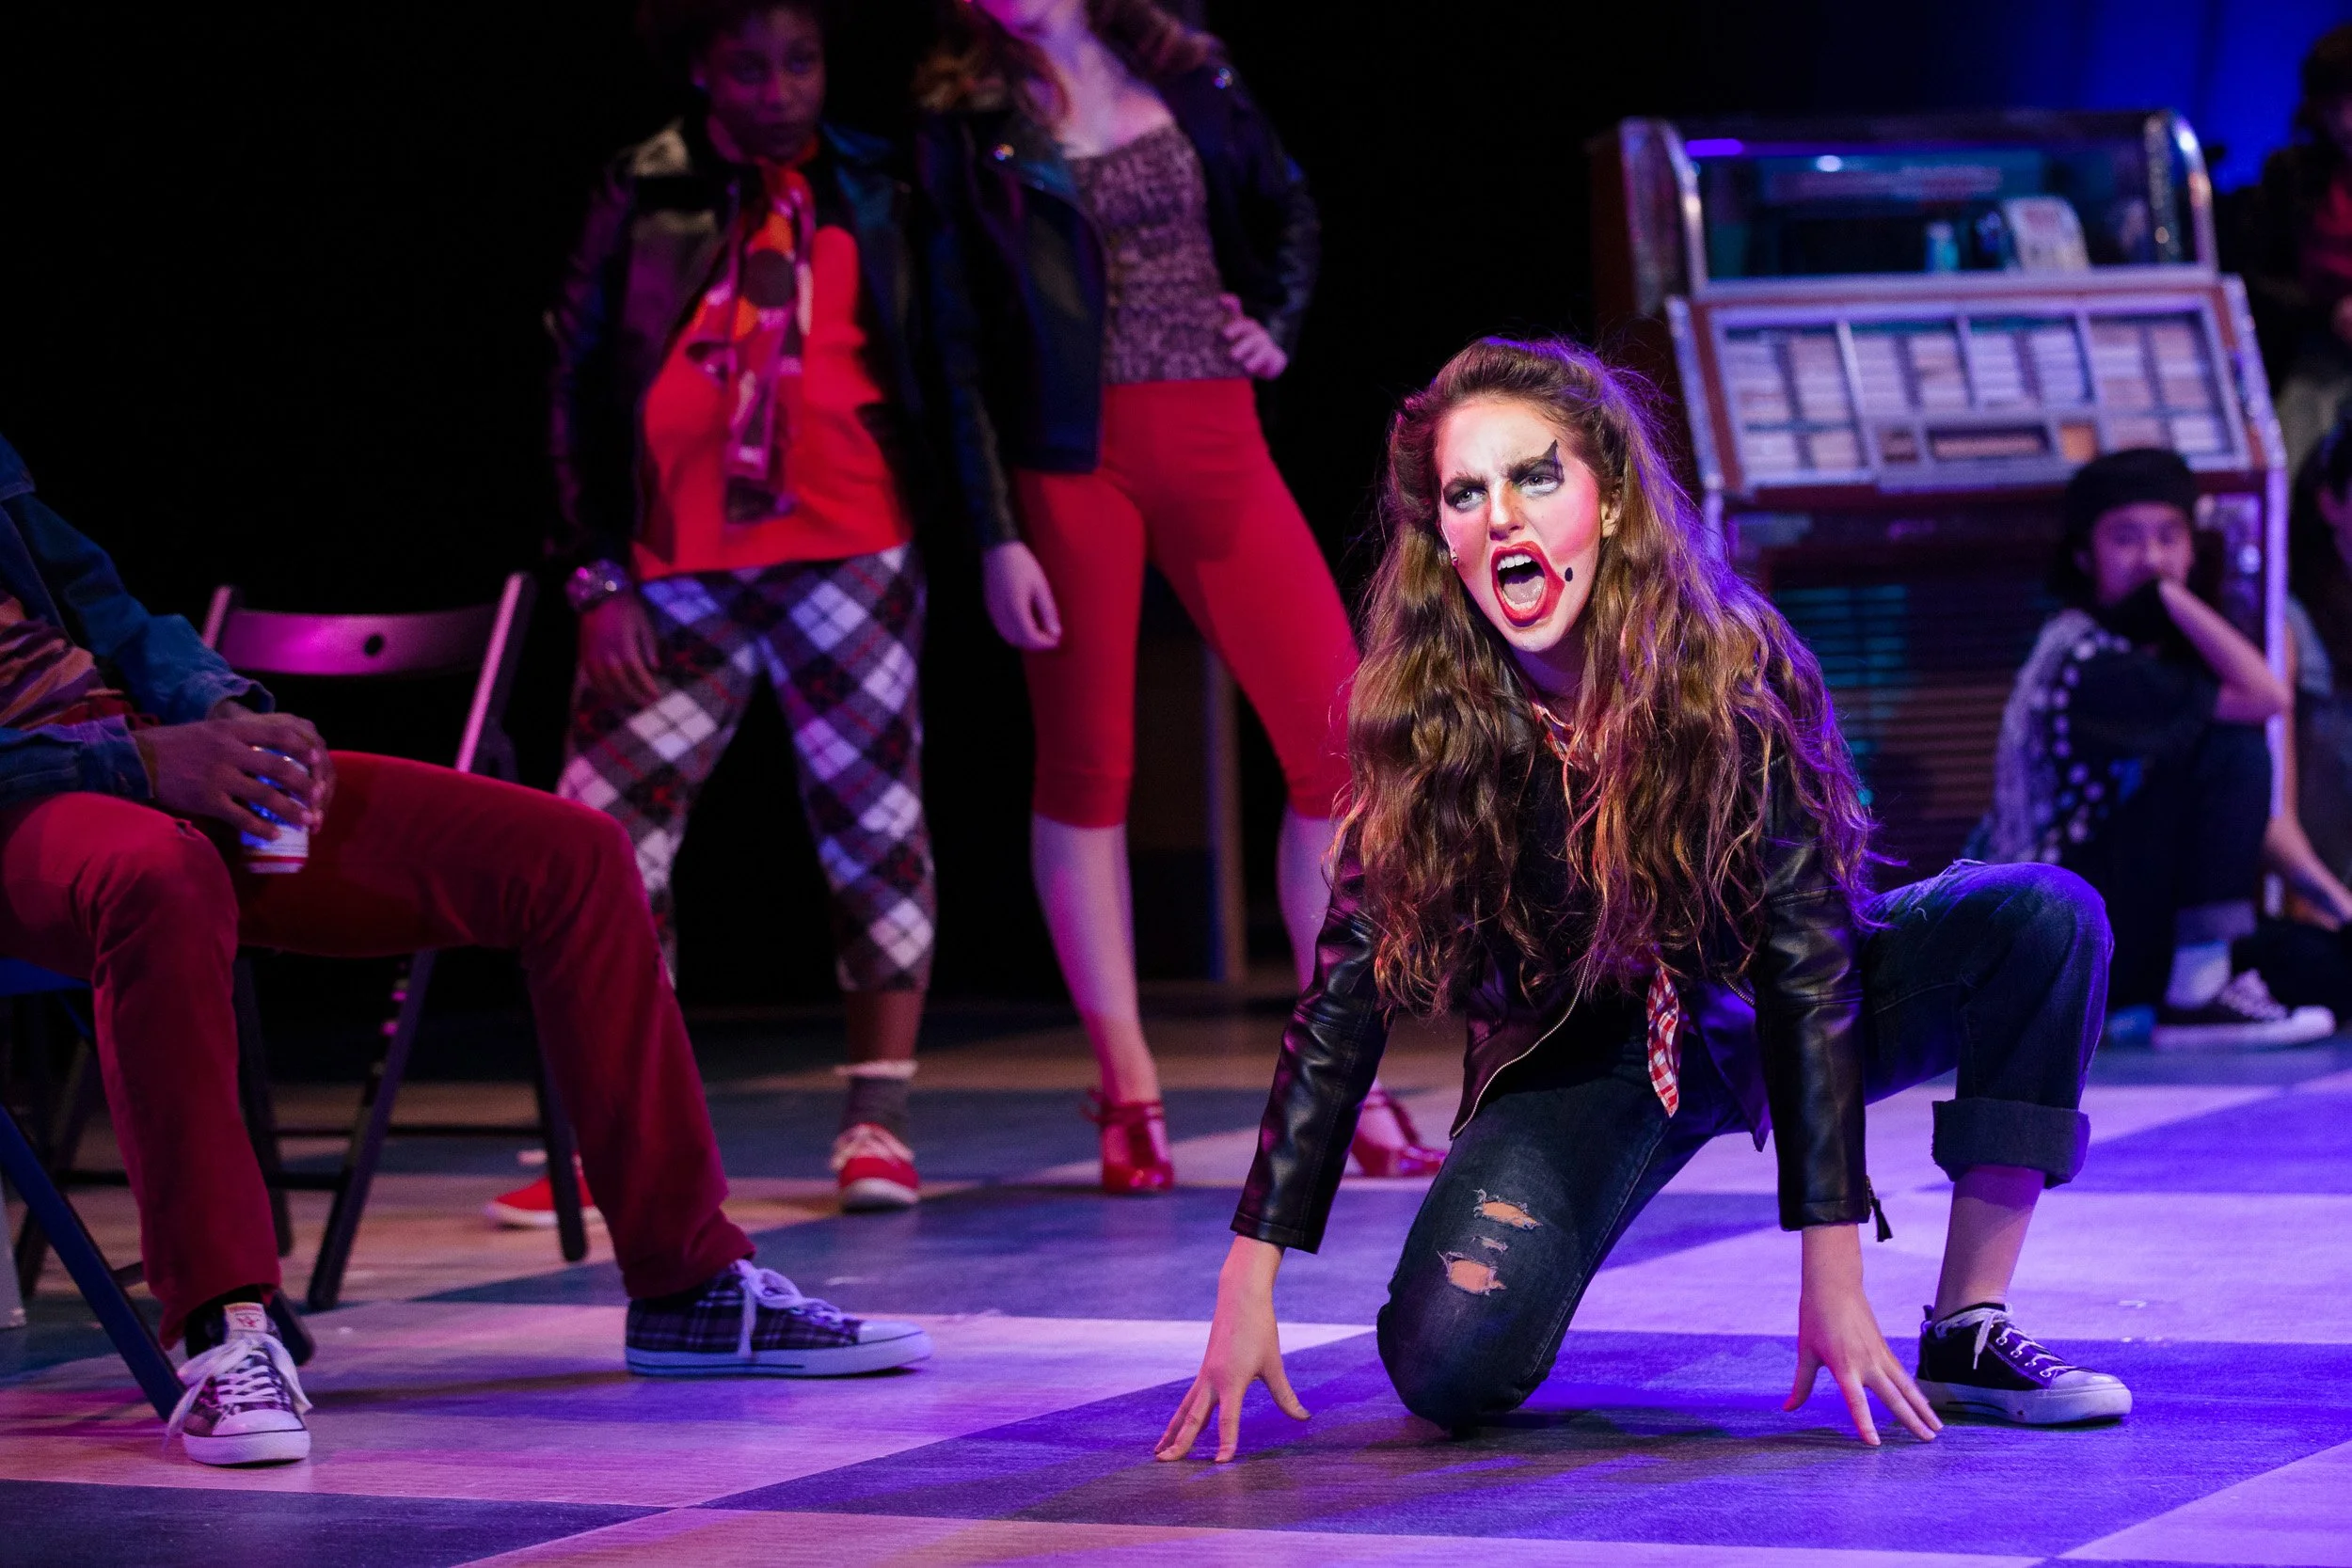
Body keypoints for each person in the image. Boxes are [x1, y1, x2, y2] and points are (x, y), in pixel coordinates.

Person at [1157, 338, 2131, 1462]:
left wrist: (1832, 1264)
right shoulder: (1429, 718)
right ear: (1446, 542)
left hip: (1767, 1002)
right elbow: (1342, 1003)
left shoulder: (1727, 666)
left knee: (2044, 917)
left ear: (1611, 500)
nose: (1502, 516)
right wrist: (1250, 1271)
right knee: (1445, 1367)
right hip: (1589, 1056)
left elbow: (1805, 969)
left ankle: (1965, 1324)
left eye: (1536, 475)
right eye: (1466, 493)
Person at [0, 433, 931, 1466]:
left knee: (569, 853)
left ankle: (688, 1284)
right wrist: (130, 763)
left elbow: (105, 602)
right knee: (160, 876)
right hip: (39, 807)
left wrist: (221, 709)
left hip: (129, 754)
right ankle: (225, 1328)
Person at [914, 0, 1438, 1193]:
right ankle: (1126, 1081)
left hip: (1215, 429)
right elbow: (951, 341)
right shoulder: (965, 115)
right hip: (1068, 455)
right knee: (1088, 763)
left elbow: (1287, 202)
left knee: (1342, 744)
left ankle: (1337, 1066)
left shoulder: (1179, 58)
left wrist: (1277, 323)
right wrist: (996, 533)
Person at [543, 0, 955, 1218]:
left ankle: (876, 1116)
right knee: (600, 830)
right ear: (702, 72)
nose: (779, 88)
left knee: (874, 822)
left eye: (802, 61)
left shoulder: (878, 182)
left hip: (851, 548)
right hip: (674, 562)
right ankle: (617, 1126)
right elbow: (572, 383)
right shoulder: (643, 185)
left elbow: (943, 357)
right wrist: (596, 573)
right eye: (749, 67)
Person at [1975, 448, 2333, 1050]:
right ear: (2085, 555)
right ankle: (2192, 999)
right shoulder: (2088, 662)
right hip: (2059, 929)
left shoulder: (2149, 656)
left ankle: (2163, 997)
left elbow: (2253, 820)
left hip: (2123, 916)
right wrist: (2170, 595)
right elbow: (2267, 697)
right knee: (2233, 745)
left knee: (2322, 966)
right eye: (2127, 539)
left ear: (2194, 544)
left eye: (2170, 537)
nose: (2152, 557)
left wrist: (2336, 901)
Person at [2238, 415, 2352, 1009]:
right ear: (2332, 504)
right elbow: (2268, 812)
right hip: (2324, 915)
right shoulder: (2289, 623)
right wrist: (2340, 905)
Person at [2245, 24, 2352, 474]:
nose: (2348, 121)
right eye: (2336, 105)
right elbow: (2252, 285)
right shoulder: (2290, 177)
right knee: (2305, 411)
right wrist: (2330, 315)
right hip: (2311, 357)